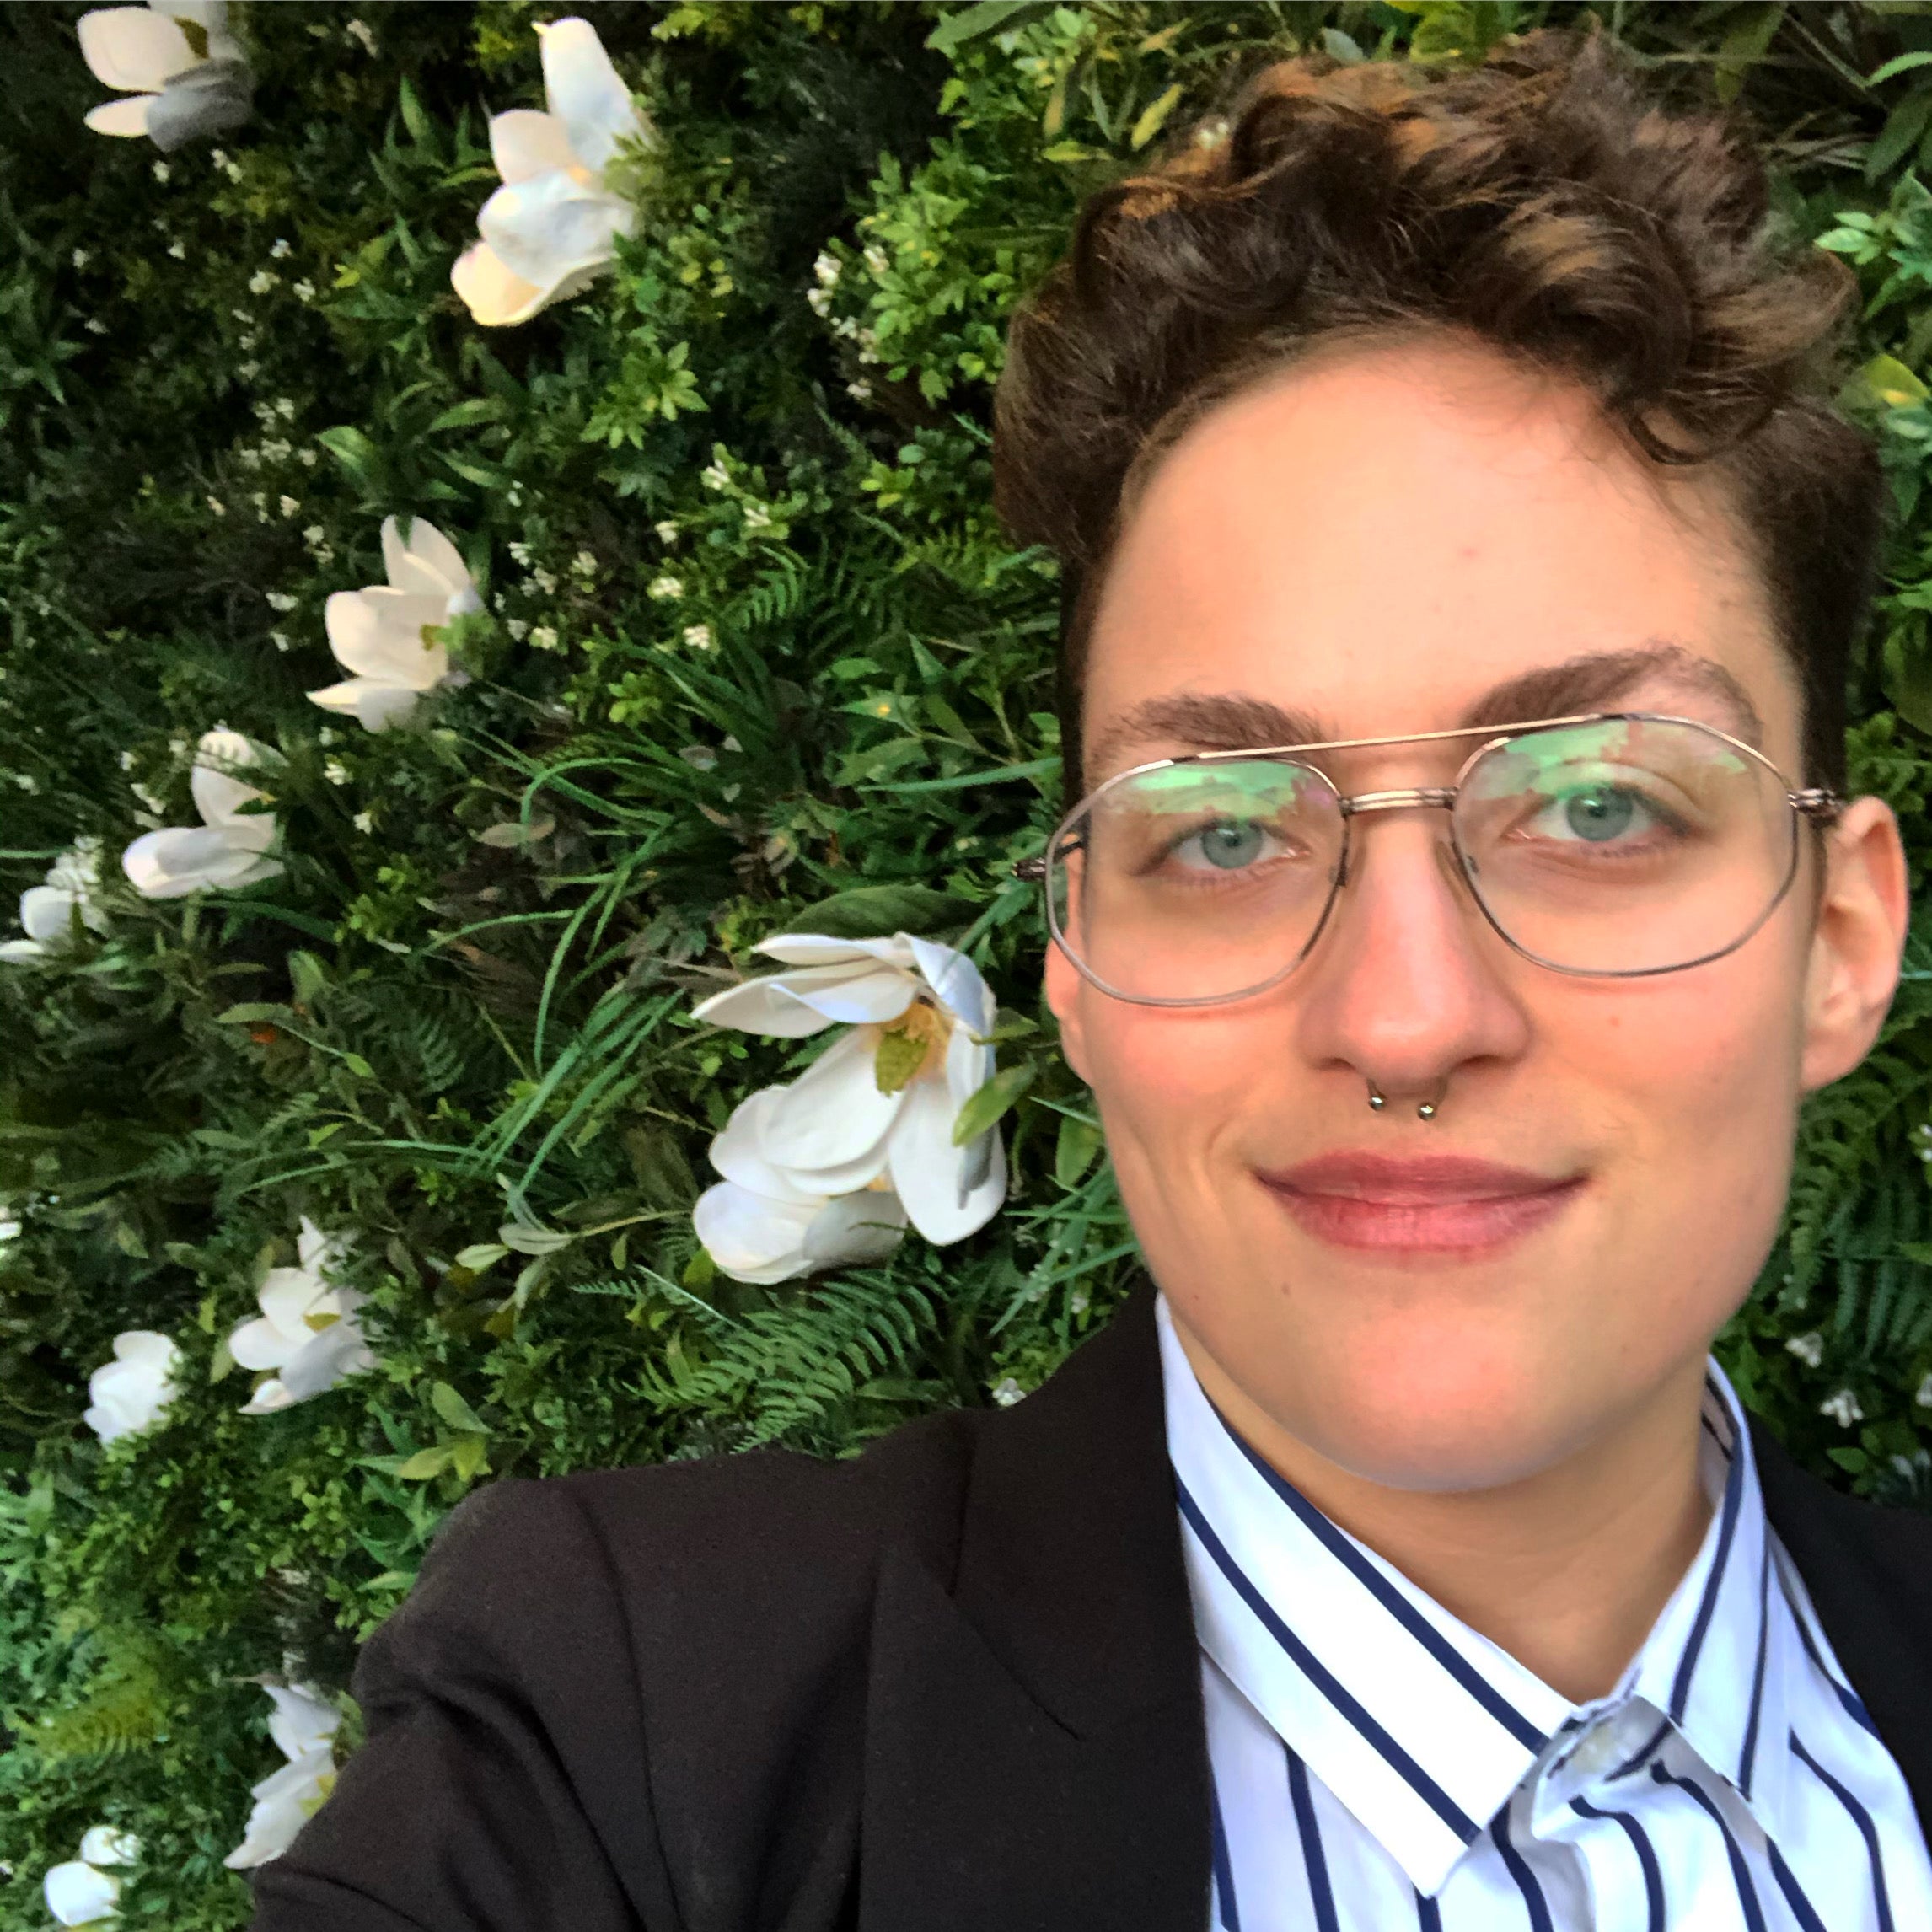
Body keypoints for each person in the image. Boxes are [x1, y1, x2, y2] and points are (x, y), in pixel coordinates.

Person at [252, 21, 1932, 1932]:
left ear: (1839, 940)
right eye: (1222, 832)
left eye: (1602, 807)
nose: (1400, 1017)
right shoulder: (624, 1739)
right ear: (1075, 962)